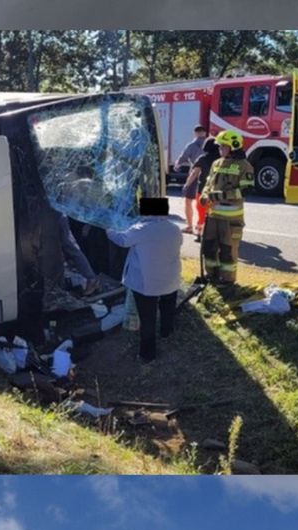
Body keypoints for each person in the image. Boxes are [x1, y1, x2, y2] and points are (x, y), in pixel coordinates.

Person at [106, 197, 183, 362]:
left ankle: (147, 353)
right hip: (171, 278)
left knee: (147, 317)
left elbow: (122, 240)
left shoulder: (140, 229)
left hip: (146, 282)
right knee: (167, 307)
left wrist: (108, 228)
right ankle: (166, 332)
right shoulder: (175, 229)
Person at [200, 129, 255, 286]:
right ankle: (212, 277)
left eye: (223, 146)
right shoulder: (216, 163)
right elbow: (208, 183)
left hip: (231, 220)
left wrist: (219, 196)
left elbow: (246, 190)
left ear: (234, 147)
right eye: (220, 146)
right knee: (209, 249)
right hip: (212, 216)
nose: (220, 149)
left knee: (228, 252)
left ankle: (227, 281)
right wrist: (204, 196)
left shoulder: (245, 166)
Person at [185, 137, 220, 242]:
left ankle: (200, 234)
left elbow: (194, 173)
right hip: (216, 190)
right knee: (213, 212)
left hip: (202, 190)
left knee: (201, 212)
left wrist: (187, 184)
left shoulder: (202, 158)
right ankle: (214, 234)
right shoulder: (221, 160)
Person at [175, 125, 208, 233]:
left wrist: (177, 165)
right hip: (209, 176)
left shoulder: (192, 145)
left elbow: (183, 157)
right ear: (205, 132)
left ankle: (189, 226)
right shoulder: (211, 144)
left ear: (195, 133)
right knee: (205, 203)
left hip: (194, 175)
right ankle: (203, 226)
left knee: (188, 201)